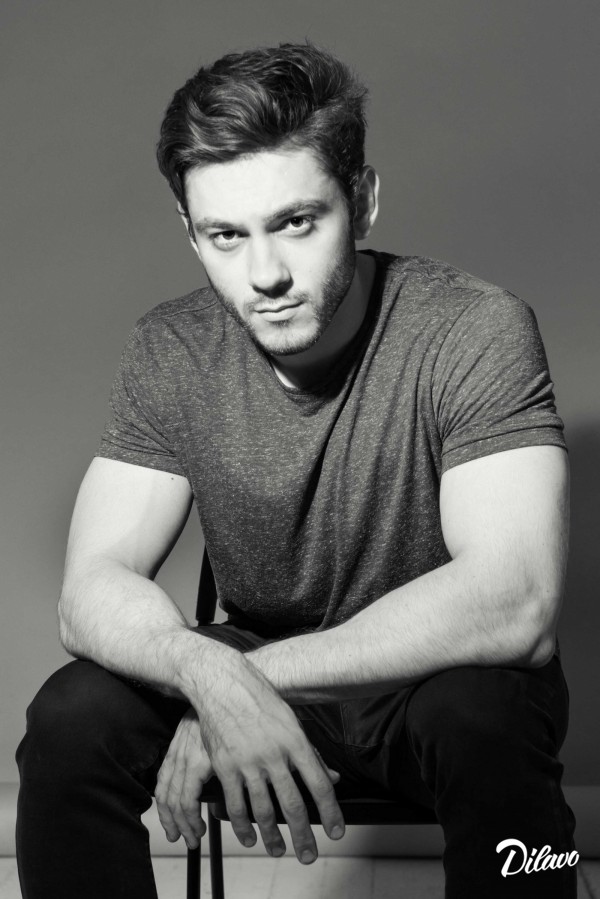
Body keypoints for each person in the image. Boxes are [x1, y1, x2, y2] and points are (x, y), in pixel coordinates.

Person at [16, 43, 576, 898]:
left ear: (363, 199)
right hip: (254, 652)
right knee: (69, 719)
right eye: (226, 236)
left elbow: (516, 600)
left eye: (297, 222)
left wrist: (245, 680)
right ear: (190, 230)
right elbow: (89, 589)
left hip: (427, 674)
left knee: (485, 717)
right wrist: (206, 670)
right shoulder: (172, 348)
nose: (265, 274)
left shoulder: (474, 329)